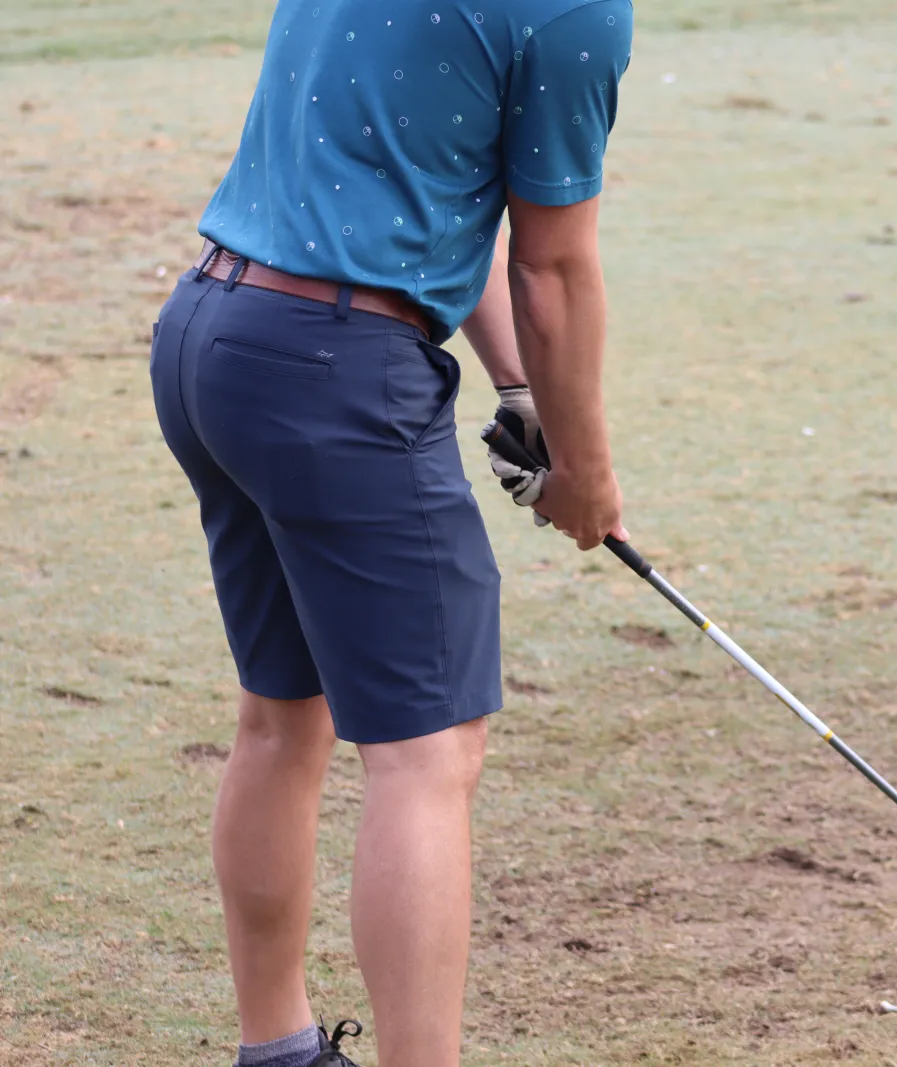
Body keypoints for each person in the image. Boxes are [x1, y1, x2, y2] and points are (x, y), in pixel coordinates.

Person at [147, 1, 632, 1064]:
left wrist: (522, 393)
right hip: (330, 369)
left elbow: (417, 188)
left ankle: (276, 1048)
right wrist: (585, 479)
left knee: (283, 715)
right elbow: (551, 270)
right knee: (426, 754)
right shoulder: (574, 14)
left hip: (212, 333)